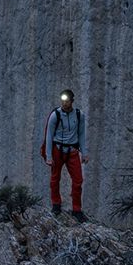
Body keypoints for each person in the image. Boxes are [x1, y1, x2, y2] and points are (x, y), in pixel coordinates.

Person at [45, 89, 89, 222]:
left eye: (67, 101)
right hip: (58, 150)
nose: (64, 103)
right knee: (55, 179)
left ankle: (76, 210)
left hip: (72, 151)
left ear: (72, 101)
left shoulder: (79, 115)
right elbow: (49, 135)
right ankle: (56, 205)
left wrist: (84, 153)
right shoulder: (55, 115)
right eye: (62, 101)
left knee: (78, 180)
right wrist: (49, 155)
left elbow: (81, 134)